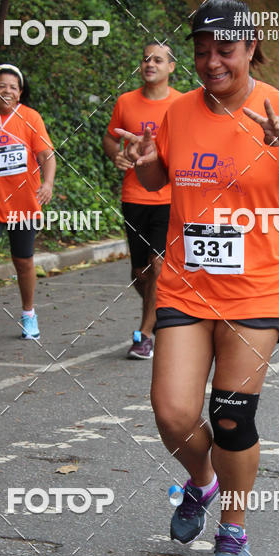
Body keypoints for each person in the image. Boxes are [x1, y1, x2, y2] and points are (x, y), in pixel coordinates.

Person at [116, 0, 279, 556]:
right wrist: (145, 163)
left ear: (251, 47)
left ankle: (235, 527)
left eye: (225, 50)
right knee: (173, 413)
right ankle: (202, 480)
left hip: (256, 289)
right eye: (202, 52)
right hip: (185, 285)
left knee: (230, 415)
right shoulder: (178, 111)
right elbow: (160, 176)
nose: (212, 62)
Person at [0, 64, 55, 347]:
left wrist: (48, 183)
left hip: (23, 203)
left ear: (20, 93)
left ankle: (29, 313)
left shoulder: (31, 117)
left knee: (24, 261)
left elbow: (46, 155)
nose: (7, 90)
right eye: (1, 85)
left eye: (13, 87)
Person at [103, 43, 180, 359]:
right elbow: (110, 137)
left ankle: (144, 335)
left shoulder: (181, 104)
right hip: (134, 196)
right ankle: (163, 311)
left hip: (169, 197)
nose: (150, 63)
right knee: (140, 273)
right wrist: (117, 155)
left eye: (158, 59)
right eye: (146, 58)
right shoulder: (126, 102)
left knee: (158, 265)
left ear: (171, 68)